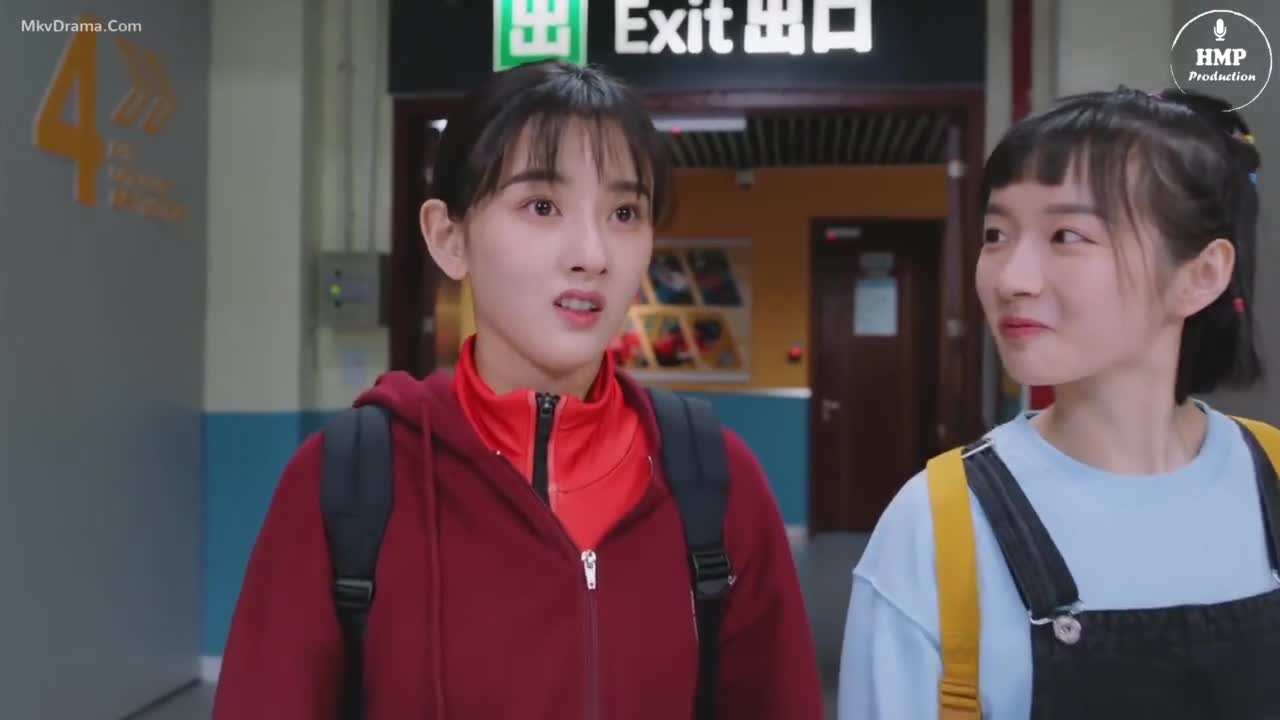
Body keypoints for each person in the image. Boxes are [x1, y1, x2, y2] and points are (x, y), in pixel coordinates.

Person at [212, 60, 824, 720]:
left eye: (624, 212)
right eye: (541, 206)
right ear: (449, 238)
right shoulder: (347, 484)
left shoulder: (714, 483)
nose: (592, 254)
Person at [837, 87, 1279, 719]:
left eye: (1067, 235)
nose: (1011, 278)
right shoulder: (939, 522)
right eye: (995, 234)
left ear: (1201, 275)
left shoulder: (1270, 475)